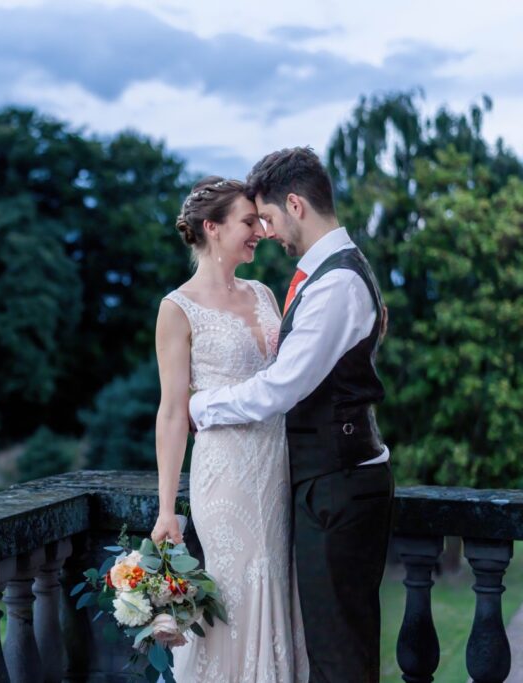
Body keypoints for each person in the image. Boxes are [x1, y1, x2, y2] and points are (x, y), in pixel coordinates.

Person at [185, 146, 395, 682]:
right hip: (328, 481)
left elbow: (280, 388)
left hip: (339, 483)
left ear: (296, 205)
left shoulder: (337, 283)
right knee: (325, 644)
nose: (269, 232)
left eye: (271, 218)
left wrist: (202, 405)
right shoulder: (329, 274)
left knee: (338, 654)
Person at [150, 174, 308, 682]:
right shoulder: (177, 309)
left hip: (277, 464)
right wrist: (165, 510)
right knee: (236, 587)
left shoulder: (264, 293)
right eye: (248, 221)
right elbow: (174, 412)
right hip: (226, 475)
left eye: (262, 220)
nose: (260, 230)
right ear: (212, 227)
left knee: (278, 581)